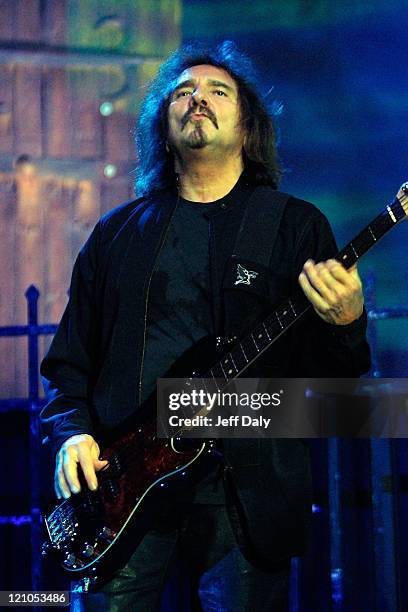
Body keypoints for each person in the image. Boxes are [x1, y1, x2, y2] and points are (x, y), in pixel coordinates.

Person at [40, 41, 370, 611]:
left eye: (219, 91)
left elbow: (335, 384)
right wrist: (73, 432)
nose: (198, 99)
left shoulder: (294, 227)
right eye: (183, 92)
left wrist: (346, 322)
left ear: (248, 127)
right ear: (162, 128)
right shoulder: (116, 236)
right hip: (124, 491)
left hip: (246, 493)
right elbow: (70, 361)